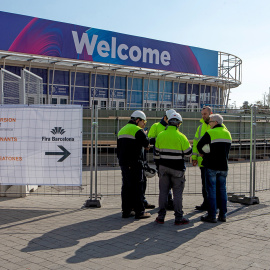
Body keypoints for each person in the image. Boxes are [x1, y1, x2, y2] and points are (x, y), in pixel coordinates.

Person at [154, 112, 192, 225]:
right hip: (177, 170)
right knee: (177, 195)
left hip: (163, 168)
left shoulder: (160, 135)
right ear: (178, 124)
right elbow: (188, 154)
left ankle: (161, 217)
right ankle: (179, 218)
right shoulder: (181, 136)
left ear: (169, 122)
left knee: (163, 193)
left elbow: (156, 155)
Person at [197, 114, 232, 223]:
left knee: (211, 190)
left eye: (211, 121)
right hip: (223, 166)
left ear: (216, 122)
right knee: (222, 190)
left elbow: (199, 145)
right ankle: (223, 215)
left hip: (211, 165)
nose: (209, 123)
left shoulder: (210, 133)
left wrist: (204, 154)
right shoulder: (228, 133)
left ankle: (212, 215)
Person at [117, 110, 151, 219]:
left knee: (126, 187)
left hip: (123, 163)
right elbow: (147, 144)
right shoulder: (137, 130)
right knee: (137, 187)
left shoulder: (121, 130)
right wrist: (144, 134)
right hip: (135, 163)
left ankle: (126, 211)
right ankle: (140, 211)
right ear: (137, 120)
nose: (144, 124)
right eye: (143, 122)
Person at [148, 109, 176, 209]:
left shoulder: (174, 127)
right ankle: (168, 200)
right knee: (164, 181)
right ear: (165, 118)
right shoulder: (156, 126)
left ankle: (169, 200)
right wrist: (163, 138)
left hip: (172, 158)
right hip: (160, 158)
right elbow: (150, 139)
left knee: (172, 181)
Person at [192, 106, 212, 211]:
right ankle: (206, 203)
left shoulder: (215, 125)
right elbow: (195, 143)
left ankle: (212, 204)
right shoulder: (200, 128)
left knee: (212, 184)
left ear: (210, 113)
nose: (203, 116)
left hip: (213, 161)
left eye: (205, 114)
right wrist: (194, 157)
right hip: (202, 162)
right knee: (205, 184)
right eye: (202, 114)